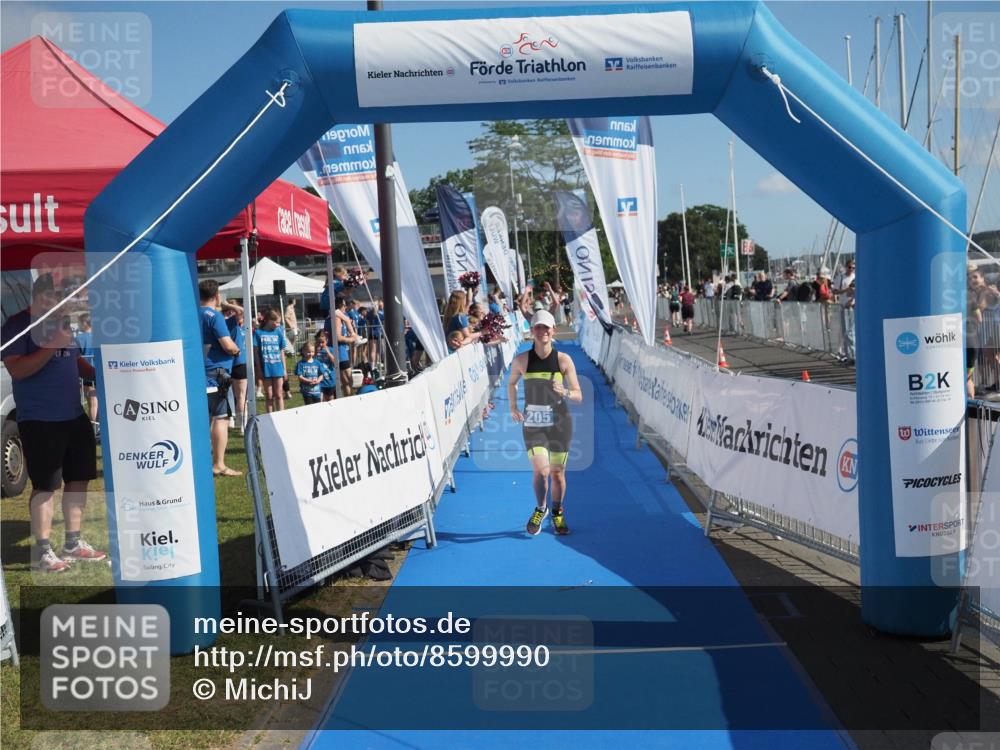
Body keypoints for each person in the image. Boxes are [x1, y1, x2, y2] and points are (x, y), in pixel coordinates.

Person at [0, 274, 107, 572]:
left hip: (73, 415)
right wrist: (51, 345)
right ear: (40, 297)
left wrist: (104, 371)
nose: (61, 306)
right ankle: (44, 551)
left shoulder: (62, 325)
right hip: (40, 419)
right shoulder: (17, 326)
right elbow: (19, 370)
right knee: (46, 485)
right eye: (56, 300)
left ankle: (73, 543)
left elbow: (75, 363)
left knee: (78, 479)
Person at [507, 309, 583, 536]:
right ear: (532, 332)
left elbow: (579, 395)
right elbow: (511, 384)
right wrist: (512, 407)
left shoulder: (563, 360)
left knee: (558, 473)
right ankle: (541, 508)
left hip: (560, 424)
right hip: (534, 424)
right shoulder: (521, 360)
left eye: (546, 327)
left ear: (553, 330)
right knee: (541, 472)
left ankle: (558, 512)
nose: (542, 331)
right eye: (538, 327)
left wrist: (566, 392)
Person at [200, 280, 242, 477]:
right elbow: (228, 345)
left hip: (197, 372)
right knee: (221, 418)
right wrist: (236, 349)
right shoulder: (214, 316)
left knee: (203, 419)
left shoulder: (191, 314)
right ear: (216, 296)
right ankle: (218, 464)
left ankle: (202, 461)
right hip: (217, 373)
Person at [254, 308, 287, 413]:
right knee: (269, 395)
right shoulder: (258, 333)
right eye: (276, 322)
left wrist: (284, 369)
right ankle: (270, 417)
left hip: (278, 368)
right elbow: (256, 354)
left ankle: (281, 416)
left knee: (279, 394)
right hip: (266, 369)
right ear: (269, 320)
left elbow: (282, 351)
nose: (278, 325)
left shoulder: (278, 332)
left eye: (279, 323)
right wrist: (259, 369)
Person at [224, 301, 247, 433]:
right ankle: (241, 424)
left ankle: (239, 422)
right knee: (240, 395)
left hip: (234, 363)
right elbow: (241, 311)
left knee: (237, 395)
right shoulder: (230, 322)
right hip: (236, 362)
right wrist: (226, 303)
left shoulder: (239, 326)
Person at [74, 312, 99, 429]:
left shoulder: (79, 339)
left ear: (84, 323)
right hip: (98, 374)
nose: (78, 325)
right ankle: (98, 427)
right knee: (97, 401)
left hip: (86, 377)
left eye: (79, 322)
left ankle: (94, 429)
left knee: (92, 402)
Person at [334, 296, 359, 396]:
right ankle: (349, 401)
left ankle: (348, 399)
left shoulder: (342, 317)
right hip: (340, 352)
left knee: (348, 381)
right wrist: (352, 339)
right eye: (344, 305)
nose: (345, 307)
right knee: (348, 381)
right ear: (340, 306)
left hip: (344, 351)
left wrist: (348, 337)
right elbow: (338, 337)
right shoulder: (337, 318)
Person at [315, 330, 339, 402]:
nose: (321, 344)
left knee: (330, 399)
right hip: (319, 380)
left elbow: (336, 362)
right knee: (320, 400)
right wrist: (316, 351)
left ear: (327, 341)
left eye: (322, 342)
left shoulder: (331, 349)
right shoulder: (314, 350)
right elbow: (312, 361)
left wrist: (328, 352)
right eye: (319, 342)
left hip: (329, 379)